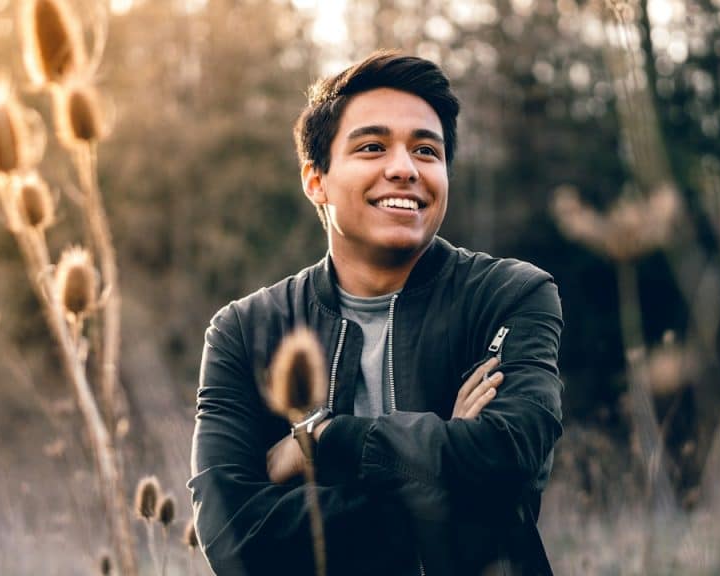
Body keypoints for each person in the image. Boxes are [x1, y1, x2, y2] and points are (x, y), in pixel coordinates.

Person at [189, 51, 564, 576]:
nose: (404, 169)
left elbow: (509, 455)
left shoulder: (508, 294)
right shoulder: (245, 330)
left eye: (426, 151)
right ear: (315, 180)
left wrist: (323, 441)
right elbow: (234, 539)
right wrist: (445, 469)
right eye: (372, 147)